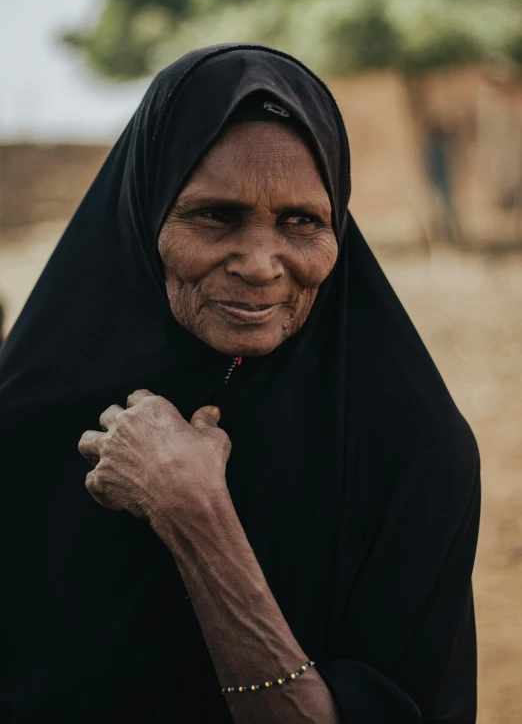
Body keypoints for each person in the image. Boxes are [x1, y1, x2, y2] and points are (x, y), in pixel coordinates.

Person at [0, 45, 480, 723]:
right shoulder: (26, 416)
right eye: (216, 215)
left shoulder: (411, 450)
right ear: (146, 211)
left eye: (300, 221)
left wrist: (195, 515)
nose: (260, 264)